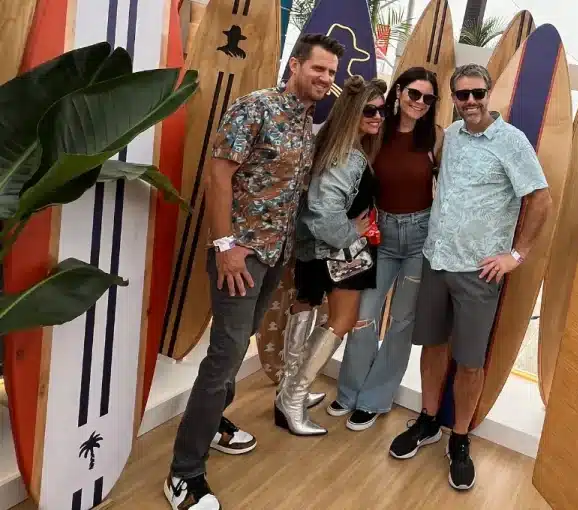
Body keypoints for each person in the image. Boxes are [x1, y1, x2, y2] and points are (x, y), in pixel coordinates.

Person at [164, 33, 344, 509]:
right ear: (295, 65)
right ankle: (184, 472)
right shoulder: (255, 108)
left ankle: (216, 421)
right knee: (223, 356)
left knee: (234, 344)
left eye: (331, 73)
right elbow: (218, 175)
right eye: (318, 69)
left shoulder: (307, 124)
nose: (325, 79)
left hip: (273, 256)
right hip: (238, 259)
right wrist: (224, 246)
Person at [387, 63, 553, 491]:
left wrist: (517, 254)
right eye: (463, 96)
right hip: (436, 260)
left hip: (479, 272)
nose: (472, 102)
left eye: (478, 94)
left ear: (490, 93)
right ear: (455, 99)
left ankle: (459, 438)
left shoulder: (511, 142)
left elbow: (540, 198)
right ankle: (427, 421)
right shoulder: (452, 138)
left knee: (471, 361)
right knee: (433, 345)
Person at [326, 67, 444, 431]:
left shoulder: (436, 139)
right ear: (398, 93)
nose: (419, 103)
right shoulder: (378, 129)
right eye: (413, 94)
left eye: (428, 98)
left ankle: (375, 399)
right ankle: (349, 392)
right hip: (381, 235)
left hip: (420, 237)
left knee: (402, 322)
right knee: (364, 314)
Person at [275, 75, 388, 436]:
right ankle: (293, 396)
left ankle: (288, 390)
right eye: (368, 110)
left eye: (381, 110)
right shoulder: (349, 156)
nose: (377, 116)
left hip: (315, 251)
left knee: (306, 307)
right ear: (351, 112)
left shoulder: (333, 145)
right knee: (341, 321)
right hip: (341, 252)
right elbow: (324, 211)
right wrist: (350, 234)